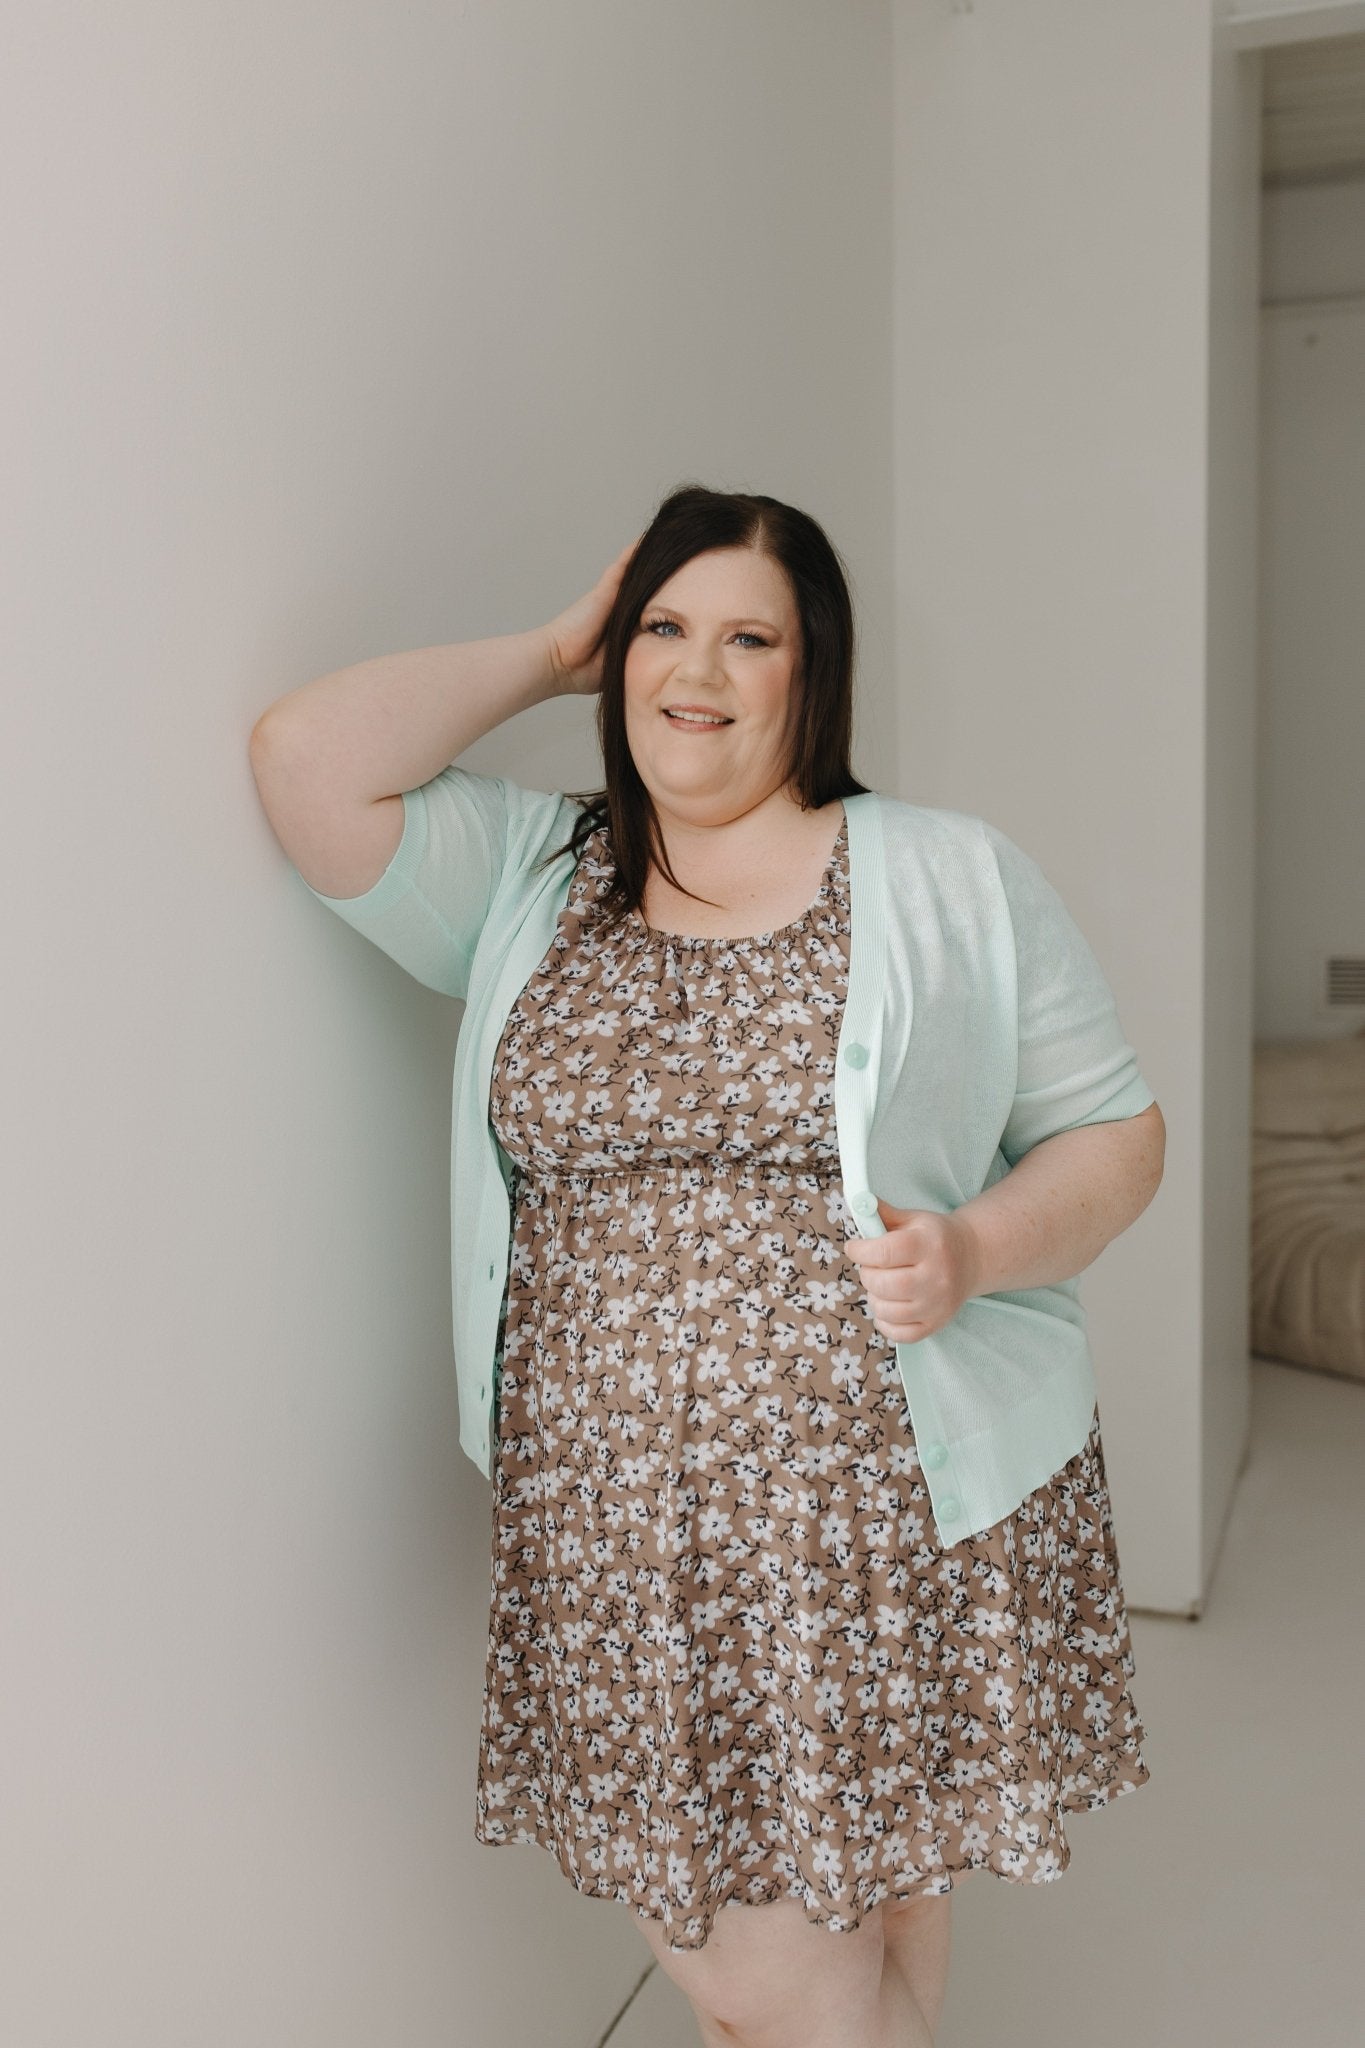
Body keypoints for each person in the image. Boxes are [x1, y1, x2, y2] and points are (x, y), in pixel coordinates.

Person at [249, 483, 1165, 2048]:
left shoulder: (945, 874)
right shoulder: (537, 874)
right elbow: (303, 760)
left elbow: (1114, 1135)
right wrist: (555, 649)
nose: (698, 668)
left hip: (874, 1528)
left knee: (782, 1991)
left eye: (750, 638)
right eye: (663, 628)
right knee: (830, 1962)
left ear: (816, 673)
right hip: (617, 1545)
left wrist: (972, 1250)